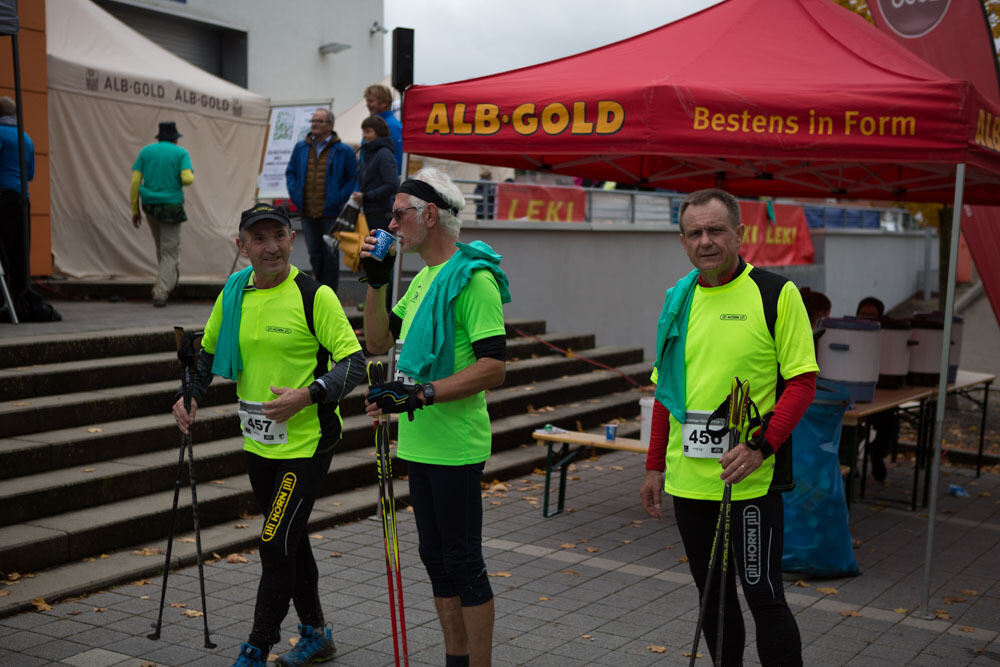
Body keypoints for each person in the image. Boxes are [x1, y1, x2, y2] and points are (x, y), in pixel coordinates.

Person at [172, 202, 366, 667]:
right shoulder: (235, 294)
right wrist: (191, 395)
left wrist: (308, 394)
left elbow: (354, 363)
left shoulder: (313, 296)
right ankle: (317, 634)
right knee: (290, 540)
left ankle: (256, 648)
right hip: (259, 444)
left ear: (292, 240)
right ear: (242, 247)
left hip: (308, 443)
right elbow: (206, 353)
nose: (270, 247)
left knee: (274, 541)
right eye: (258, 239)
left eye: (278, 236)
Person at [639, 188, 817, 666]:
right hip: (690, 482)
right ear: (682, 241)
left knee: (763, 595)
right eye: (694, 233)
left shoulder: (776, 294)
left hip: (751, 481)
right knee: (714, 598)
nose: (706, 241)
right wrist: (654, 465)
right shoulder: (677, 299)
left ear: (740, 234)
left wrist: (762, 445)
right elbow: (666, 392)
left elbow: (802, 383)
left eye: (716, 230)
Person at [361, 168, 510, 667]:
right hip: (419, 443)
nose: (392, 224)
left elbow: (493, 368)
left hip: (457, 446)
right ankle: (455, 660)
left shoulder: (473, 277)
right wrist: (376, 283)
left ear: (429, 214)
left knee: (464, 563)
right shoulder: (423, 277)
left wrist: (421, 393)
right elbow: (379, 342)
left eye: (399, 213)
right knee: (436, 561)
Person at [0, 96, 60, 322]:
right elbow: (31, 174)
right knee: (19, 253)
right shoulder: (26, 138)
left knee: (3, 253)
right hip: (23, 200)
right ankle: (19, 301)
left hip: (3, 198)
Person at [285, 108, 357, 292]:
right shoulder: (301, 147)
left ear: (330, 125)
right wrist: (295, 195)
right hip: (307, 211)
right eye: (313, 121)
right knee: (315, 255)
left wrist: (339, 198)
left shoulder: (343, 150)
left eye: (319, 121)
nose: (314, 125)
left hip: (331, 213)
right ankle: (319, 293)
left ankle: (330, 296)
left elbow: (352, 178)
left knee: (330, 256)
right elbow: (291, 172)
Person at [131, 121, 194, 307]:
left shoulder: (146, 152)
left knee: (161, 247)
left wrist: (135, 209)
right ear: (175, 139)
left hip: (149, 206)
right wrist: (189, 173)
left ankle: (168, 282)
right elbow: (187, 179)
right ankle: (161, 292)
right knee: (170, 252)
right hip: (171, 207)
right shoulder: (181, 153)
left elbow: (135, 182)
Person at [856, 295, 895, 481]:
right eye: (863, 314)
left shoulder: (886, 338)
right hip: (851, 395)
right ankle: (847, 461)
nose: (866, 319)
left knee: (890, 417)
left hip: (879, 392)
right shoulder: (849, 334)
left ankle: (877, 454)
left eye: (872, 316)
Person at [352, 115, 399, 234]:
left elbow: (392, 184)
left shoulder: (384, 154)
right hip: (369, 213)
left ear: (379, 132)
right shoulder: (370, 152)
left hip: (381, 215)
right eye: (363, 131)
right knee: (369, 251)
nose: (364, 135)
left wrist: (366, 196)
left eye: (368, 131)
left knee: (382, 252)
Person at [363, 84, 403, 174]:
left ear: (384, 103)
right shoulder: (371, 124)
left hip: (381, 185)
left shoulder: (394, 127)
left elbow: (398, 163)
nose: (367, 105)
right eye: (367, 101)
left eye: (371, 101)